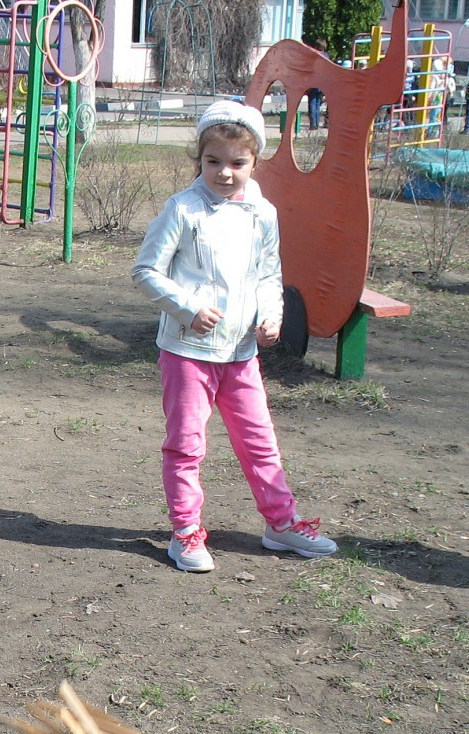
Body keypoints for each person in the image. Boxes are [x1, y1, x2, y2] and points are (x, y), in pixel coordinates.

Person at [132, 100, 337, 574]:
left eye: (237, 163)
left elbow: (269, 274)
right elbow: (146, 271)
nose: (225, 172)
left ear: (254, 161)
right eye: (214, 161)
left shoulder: (262, 213)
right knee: (186, 445)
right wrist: (186, 308)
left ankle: (281, 525)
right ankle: (185, 532)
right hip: (187, 353)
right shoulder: (183, 209)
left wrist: (271, 316)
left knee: (260, 442)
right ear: (199, 159)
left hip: (241, 354)